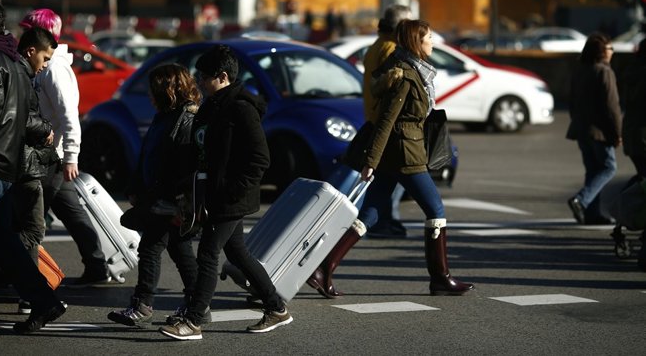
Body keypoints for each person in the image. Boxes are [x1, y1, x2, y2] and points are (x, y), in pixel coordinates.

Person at [308, 19, 474, 299]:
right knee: (435, 210)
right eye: (429, 37)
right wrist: (370, 160)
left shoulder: (415, 71)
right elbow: (386, 121)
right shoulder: (406, 76)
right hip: (404, 154)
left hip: (397, 153)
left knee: (370, 214)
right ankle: (440, 277)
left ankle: (324, 269)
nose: (433, 42)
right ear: (415, 42)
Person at [159, 45, 292, 341]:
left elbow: (260, 158)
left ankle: (193, 321)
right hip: (213, 194)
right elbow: (200, 149)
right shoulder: (211, 105)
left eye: (203, 77)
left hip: (230, 198)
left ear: (221, 77)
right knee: (237, 252)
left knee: (208, 253)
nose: (199, 82)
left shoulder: (241, 109)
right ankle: (276, 306)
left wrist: (232, 191)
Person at [0, 1, 66, 336]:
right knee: (4, 243)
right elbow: (24, 116)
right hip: (6, 166)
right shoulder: (16, 63)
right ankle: (44, 301)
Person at [19, 9, 110, 286]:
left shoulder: (54, 69)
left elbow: (69, 116)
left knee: (28, 218)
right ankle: (97, 266)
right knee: (71, 212)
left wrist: (71, 156)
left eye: (29, 29)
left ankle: (28, 281)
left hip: (52, 157)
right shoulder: (46, 66)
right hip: (50, 155)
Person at [107, 64, 201, 327]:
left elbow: (184, 165)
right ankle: (197, 304)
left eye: (152, 89)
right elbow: (148, 155)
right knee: (180, 251)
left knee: (150, 248)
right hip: (157, 196)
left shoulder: (186, 119)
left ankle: (143, 304)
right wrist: (136, 188)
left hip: (169, 200)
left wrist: (178, 206)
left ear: (166, 90)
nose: (148, 94)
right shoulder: (165, 116)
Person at [10, 26, 58, 315]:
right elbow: (24, 118)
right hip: (25, 166)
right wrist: (45, 128)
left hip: (18, 164)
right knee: (32, 229)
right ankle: (30, 293)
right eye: (44, 57)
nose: (46, 64)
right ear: (30, 52)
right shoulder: (21, 75)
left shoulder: (16, 71)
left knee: (20, 229)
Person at [361, 4, 412, 238]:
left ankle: (383, 220)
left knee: (387, 178)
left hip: (374, 116)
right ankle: (382, 221)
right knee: (394, 176)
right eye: (409, 22)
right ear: (400, 26)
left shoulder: (376, 46)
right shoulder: (391, 49)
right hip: (387, 120)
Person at [566, 33, 621, 225]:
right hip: (600, 130)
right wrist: (617, 133)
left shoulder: (581, 70)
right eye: (610, 48)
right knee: (608, 167)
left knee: (592, 170)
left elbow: (571, 102)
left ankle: (592, 214)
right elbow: (612, 107)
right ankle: (581, 200)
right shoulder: (604, 72)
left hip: (582, 129)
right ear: (602, 52)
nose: (612, 52)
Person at [620, 37, 646, 269]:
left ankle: (622, 217)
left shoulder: (632, 71)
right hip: (643, 135)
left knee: (641, 180)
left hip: (632, 133)